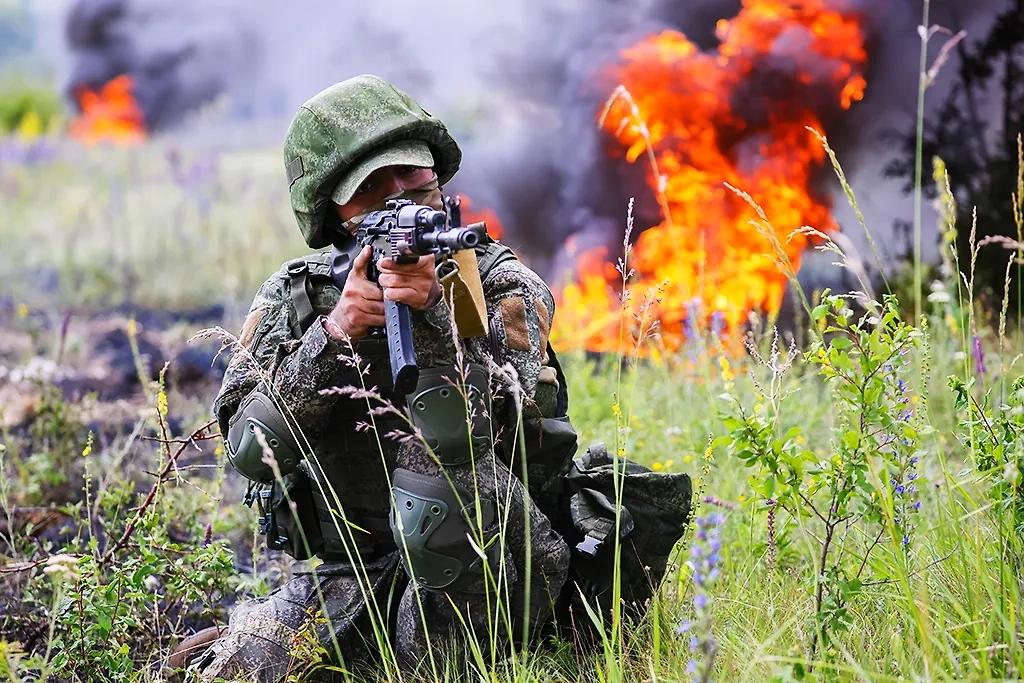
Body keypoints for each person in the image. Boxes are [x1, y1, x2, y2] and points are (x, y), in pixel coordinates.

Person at [190, 74, 576, 681]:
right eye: (372, 186)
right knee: (241, 669)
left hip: (489, 550)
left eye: (411, 175)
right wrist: (333, 337)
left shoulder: (496, 282)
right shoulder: (296, 299)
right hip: (352, 569)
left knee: (441, 519)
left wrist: (435, 315)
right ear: (335, 212)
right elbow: (247, 451)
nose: (400, 195)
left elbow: (489, 429)